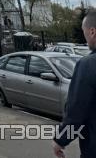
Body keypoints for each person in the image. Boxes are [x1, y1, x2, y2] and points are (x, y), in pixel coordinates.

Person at [53, 10, 96, 158]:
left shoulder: (88, 65)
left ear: (92, 31)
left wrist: (60, 140)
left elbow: (76, 111)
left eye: (84, 32)